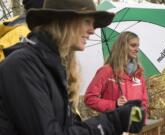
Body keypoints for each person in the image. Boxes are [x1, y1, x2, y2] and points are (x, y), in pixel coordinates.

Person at [0, 0, 144, 134]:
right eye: (87, 21)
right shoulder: (23, 65)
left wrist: (120, 114)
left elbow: (68, 128)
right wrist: (114, 121)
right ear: (65, 21)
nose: (92, 30)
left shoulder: (53, 67)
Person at [84, 31, 148, 116]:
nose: (137, 49)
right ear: (122, 47)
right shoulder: (106, 71)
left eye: (137, 46)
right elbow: (89, 99)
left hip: (133, 126)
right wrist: (114, 104)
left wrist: (139, 118)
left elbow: (144, 103)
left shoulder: (138, 74)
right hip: (112, 126)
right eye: (133, 45)